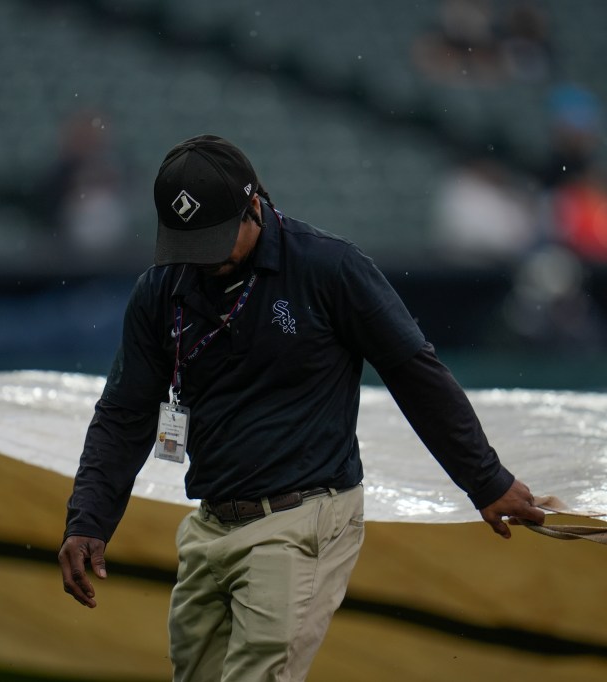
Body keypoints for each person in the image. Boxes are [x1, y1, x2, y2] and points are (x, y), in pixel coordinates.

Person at [58, 134, 545, 681]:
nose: (201, 257)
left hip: (302, 517)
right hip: (210, 524)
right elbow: (124, 411)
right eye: (187, 242)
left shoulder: (328, 268)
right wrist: (89, 520)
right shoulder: (160, 290)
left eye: (215, 238)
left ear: (255, 207)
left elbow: (414, 373)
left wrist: (484, 478)